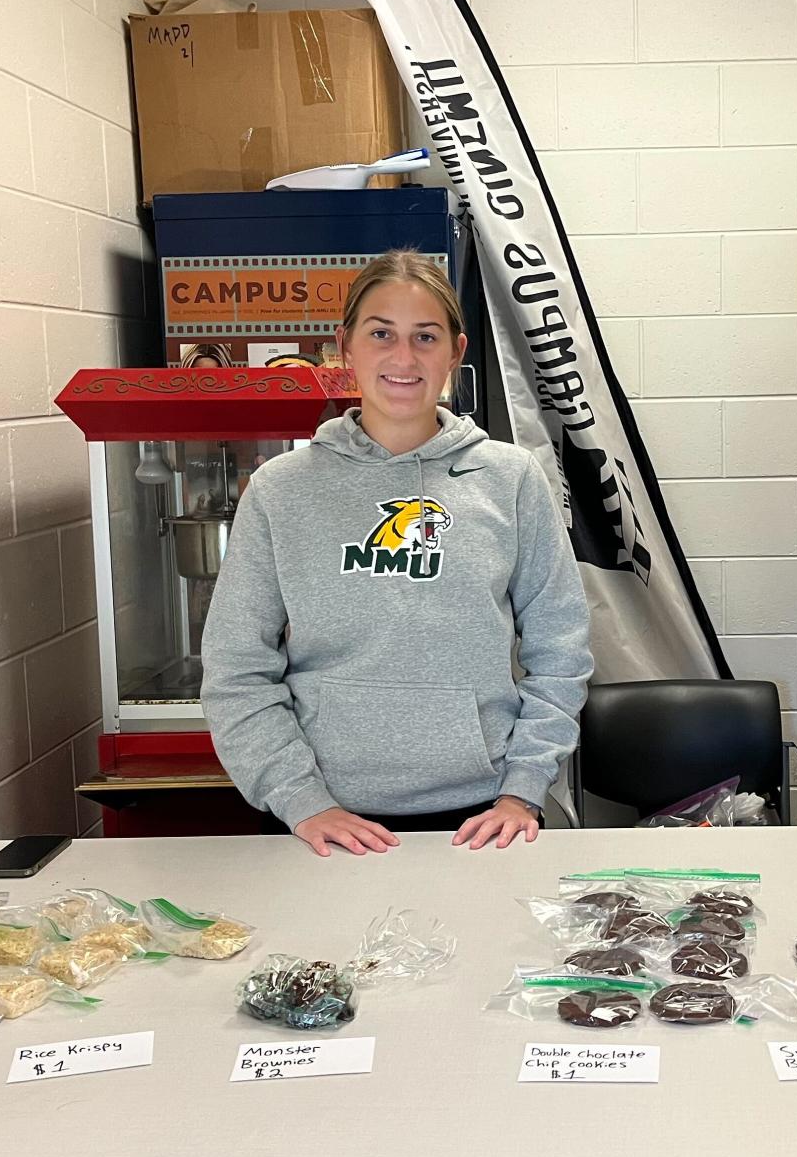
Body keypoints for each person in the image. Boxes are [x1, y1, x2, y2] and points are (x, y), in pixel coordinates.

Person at [201, 250, 593, 857]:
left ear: (456, 351)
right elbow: (236, 670)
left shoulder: (510, 480)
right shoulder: (281, 489)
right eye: (381, 333)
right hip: (324, 826)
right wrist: (302, 800)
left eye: (425, 337)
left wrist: (522, 790)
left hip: (483, 819)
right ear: (346, 347)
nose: (403, 358)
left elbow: (561, 653)